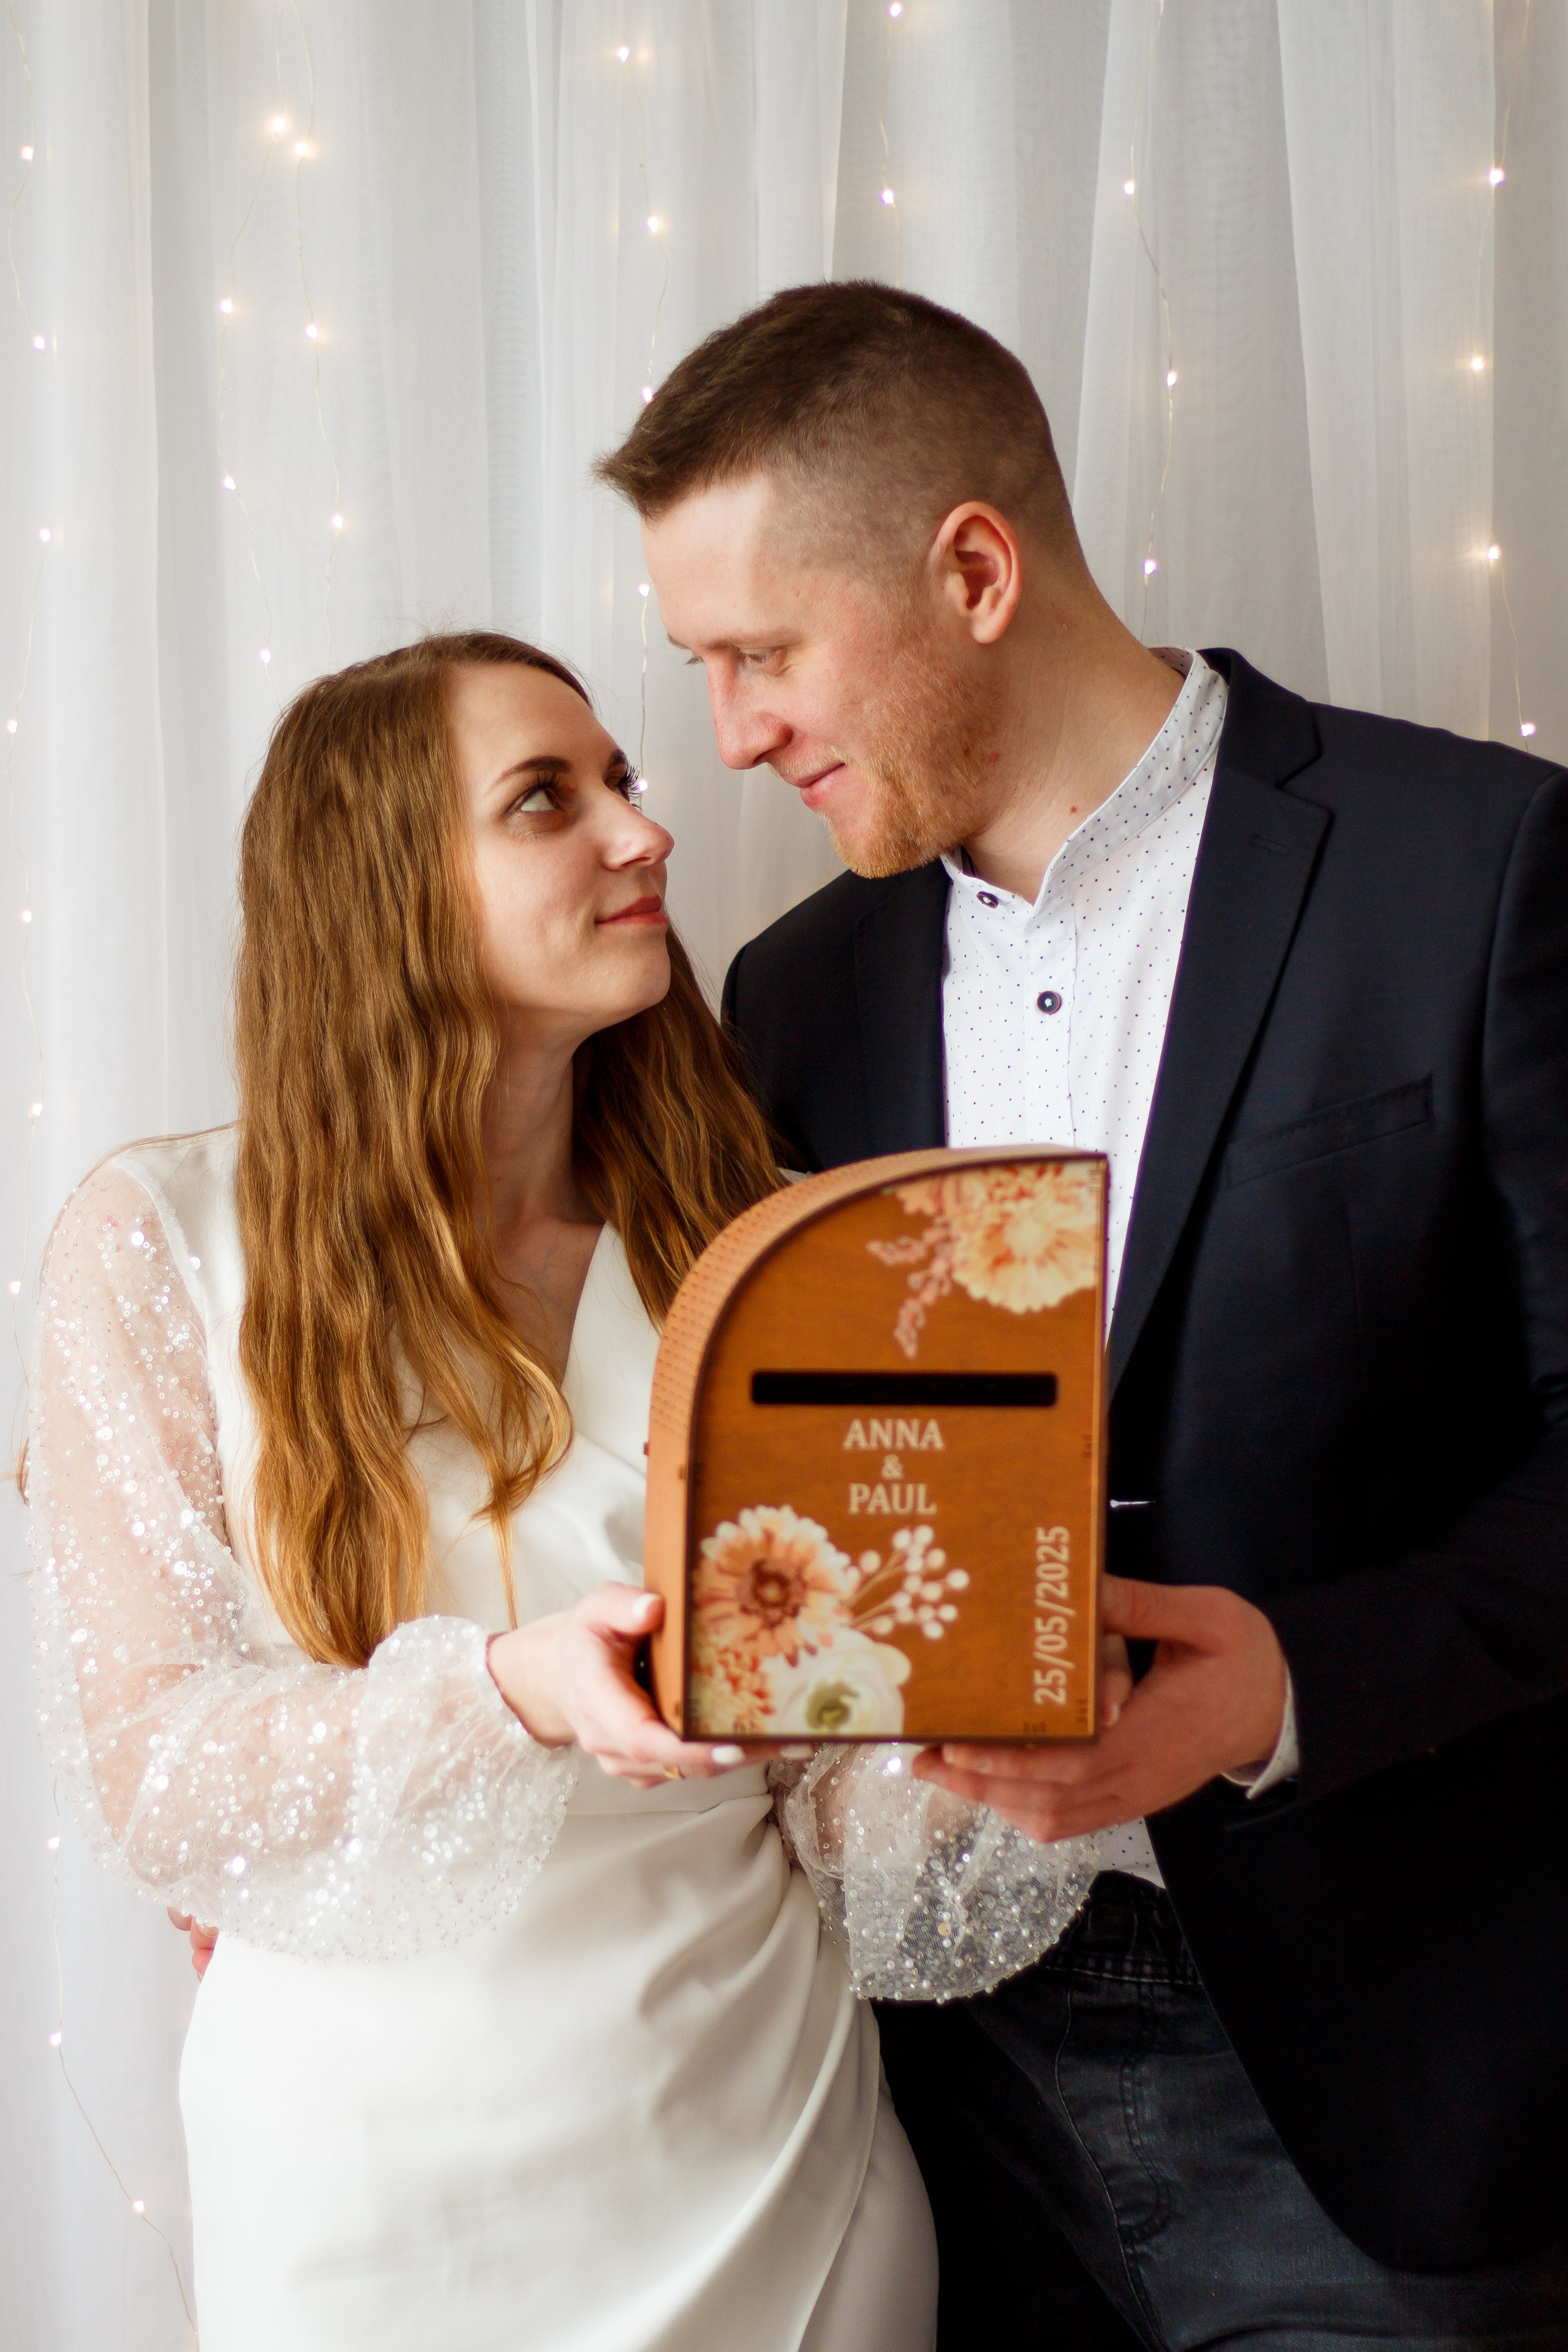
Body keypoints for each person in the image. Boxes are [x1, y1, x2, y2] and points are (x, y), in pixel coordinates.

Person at [597, 282, 1568, 2346]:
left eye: (762, 653)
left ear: (972, 572)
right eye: (705, 670)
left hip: (1377, 2080)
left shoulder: (1478, 865)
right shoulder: (790, 996)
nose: (733, 736)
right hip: (915, 2102)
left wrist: (1287, 1682)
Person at [29, 632, 970, 2352]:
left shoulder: (772, 1249)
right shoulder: (158, 1244)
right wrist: (507, 1695)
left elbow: (835, 1794)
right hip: (356, 2190)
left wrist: (998, 1708)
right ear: (377, 880)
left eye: (621, 782)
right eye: (546, 799)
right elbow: (156, 1771)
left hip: (754, 2145)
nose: (642, 831)